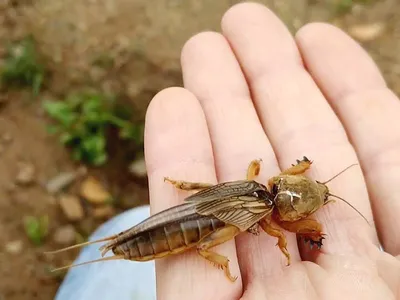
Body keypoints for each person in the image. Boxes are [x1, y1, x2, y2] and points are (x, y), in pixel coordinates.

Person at [55, 2, 400, 299]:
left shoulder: (258, 184)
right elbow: (280, 236)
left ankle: (125, 234)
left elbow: (260, 188)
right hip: (196, 222)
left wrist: (300, 166)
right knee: (199, 242)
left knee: (129, 229)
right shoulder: (272, 221)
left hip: (185, 215)